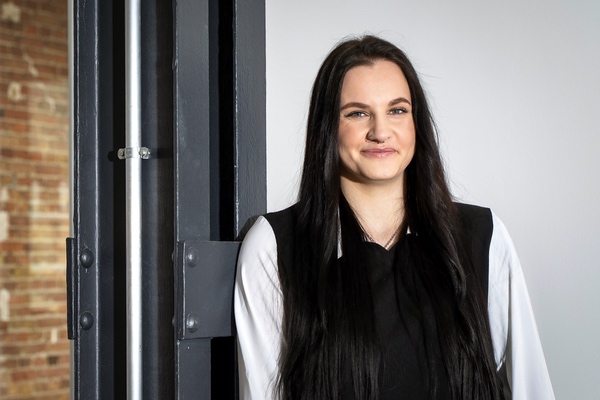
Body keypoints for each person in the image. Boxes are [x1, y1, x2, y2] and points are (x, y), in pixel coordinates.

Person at [234, 35, 554, 400]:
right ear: (327, 127)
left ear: (417, 122)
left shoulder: (483, 238)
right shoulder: (275, 247)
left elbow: (532, 390)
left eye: (397, 110)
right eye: (357, 113)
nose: (380, 132)